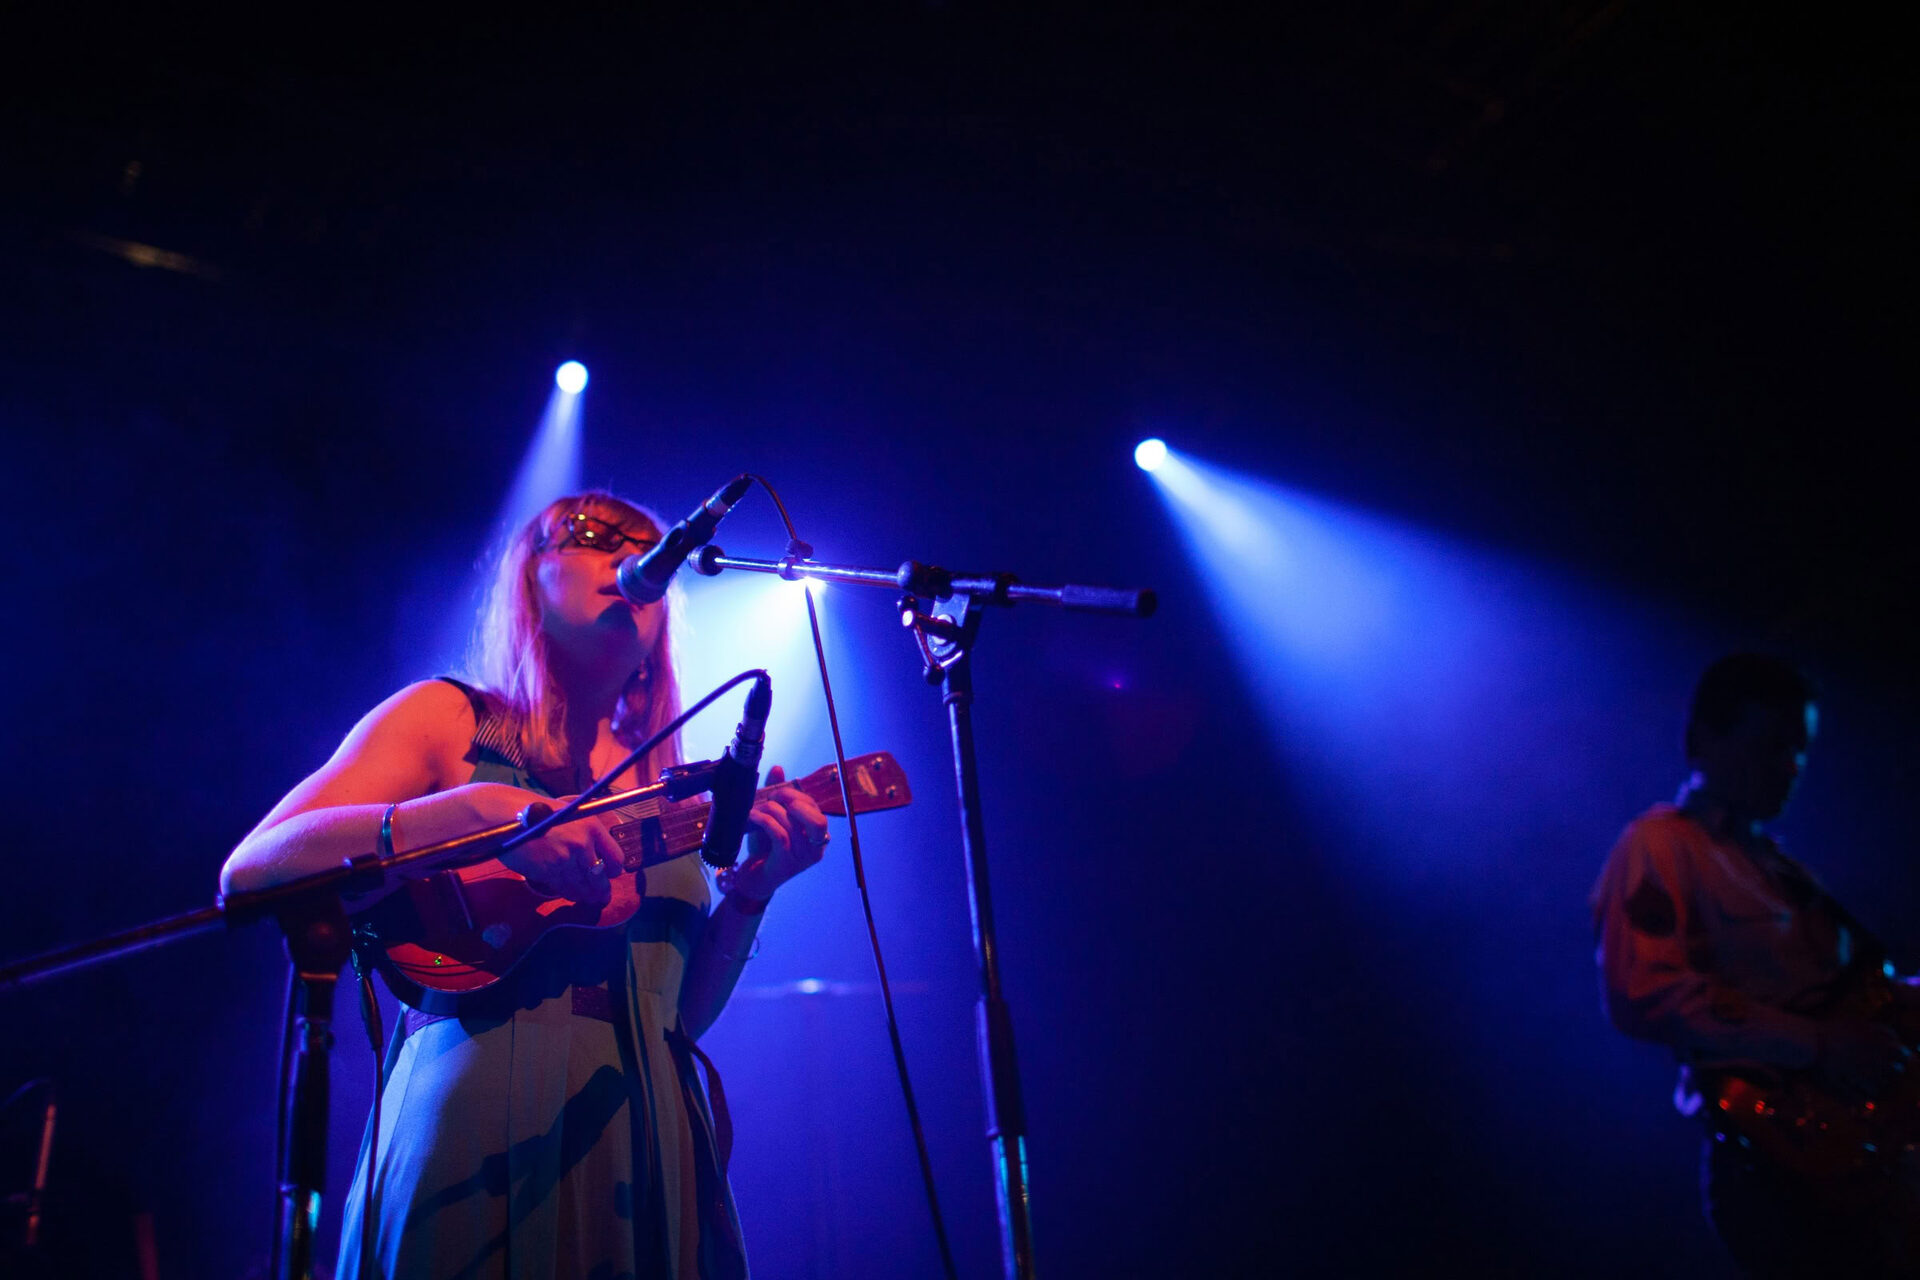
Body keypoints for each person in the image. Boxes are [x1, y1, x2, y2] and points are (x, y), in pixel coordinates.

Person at [220, 490, 829, 1280]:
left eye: (646, 546)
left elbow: (677, 1016)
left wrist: (752, 893)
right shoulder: (453, 720)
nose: (630, 556)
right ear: (528, 579)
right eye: (591, 536)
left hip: (645, 1133)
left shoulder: (677, 780)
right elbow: (255, 868)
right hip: (478, 1115)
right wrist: (479, 808)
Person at [1591, 653, 1919, 1276]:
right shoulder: (1660, 845)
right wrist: (1820, 1046)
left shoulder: (1776, 865)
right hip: (1781, 1166)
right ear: (1701, 740)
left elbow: (1846, 993)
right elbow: (1643, 993)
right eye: (1771, 745)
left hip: (1852, 1158)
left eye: (1799, 748)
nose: (1790, 767)